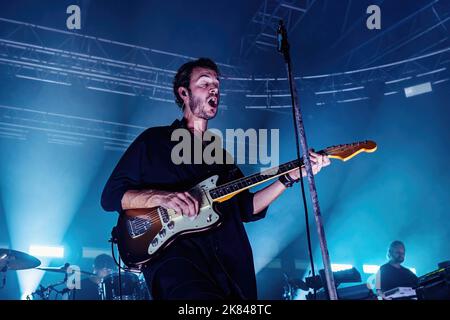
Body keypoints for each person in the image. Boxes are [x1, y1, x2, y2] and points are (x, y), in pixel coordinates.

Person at [101, 58, 330, 300]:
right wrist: (163, 198)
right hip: (178, 264)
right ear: (184, 93)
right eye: (205, 83)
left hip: (230, 268)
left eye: (217, 85)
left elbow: (246, 209)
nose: (214, 89)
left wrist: (292, 176)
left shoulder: (220, 157)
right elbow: (110, 196)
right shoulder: (154, 141)